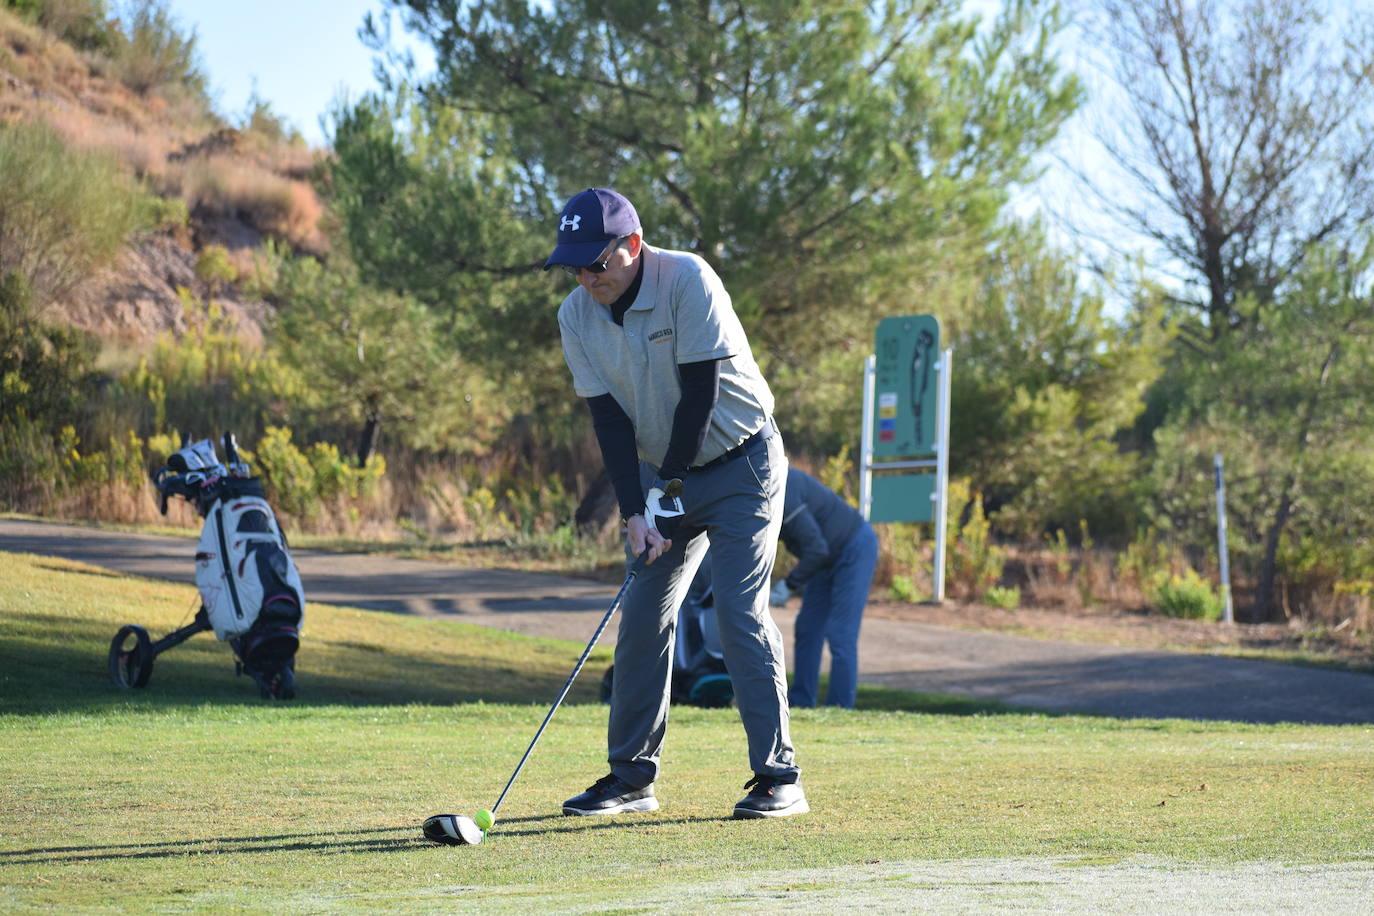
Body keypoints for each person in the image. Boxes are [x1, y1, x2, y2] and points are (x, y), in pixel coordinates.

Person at [546, 187, 806, 820]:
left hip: (743, 461)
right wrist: (637, 512)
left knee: (738, 612)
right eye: (574, 267)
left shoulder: (687, 277)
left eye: (596, 263)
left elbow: (701, 395)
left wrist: (668, 491)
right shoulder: (576, 316)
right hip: (661, 472)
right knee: (642, 614)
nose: (585, 278)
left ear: (631, 247)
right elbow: (607, 422)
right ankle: (632, 777)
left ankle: (779, 776)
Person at [768, 467, 879, 709]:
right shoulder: (765, 484)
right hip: (824, 558)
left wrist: (789, 584)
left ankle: (840, 708)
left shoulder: (781, 490)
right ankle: (801, 702)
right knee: (807, 628)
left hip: (854, 548)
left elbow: (816, 549)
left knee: (841, 634)